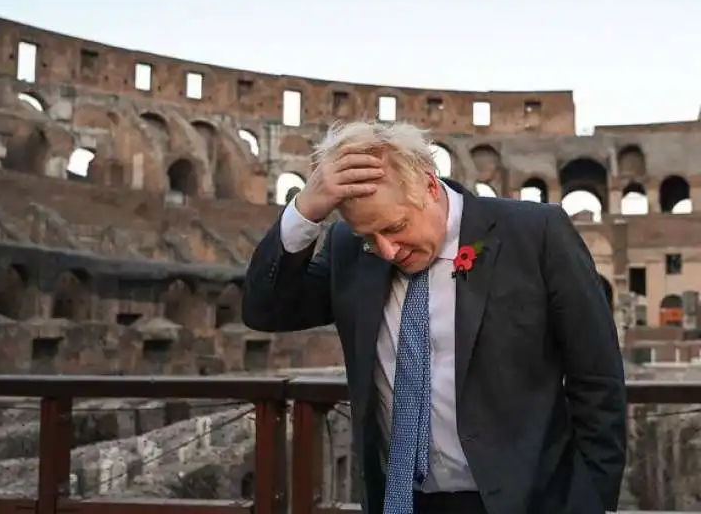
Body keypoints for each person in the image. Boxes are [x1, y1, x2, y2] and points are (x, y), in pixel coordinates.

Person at [242, 121, 627, 514]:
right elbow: (265, 309)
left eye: (395, 227)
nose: (387, 250)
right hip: (403, 501)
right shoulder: (348, 249)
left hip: (527, 500)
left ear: (429, 186)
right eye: (369, 238)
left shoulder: (534, 233)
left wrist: (591, 501)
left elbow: (597, 380)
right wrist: (304, 210)